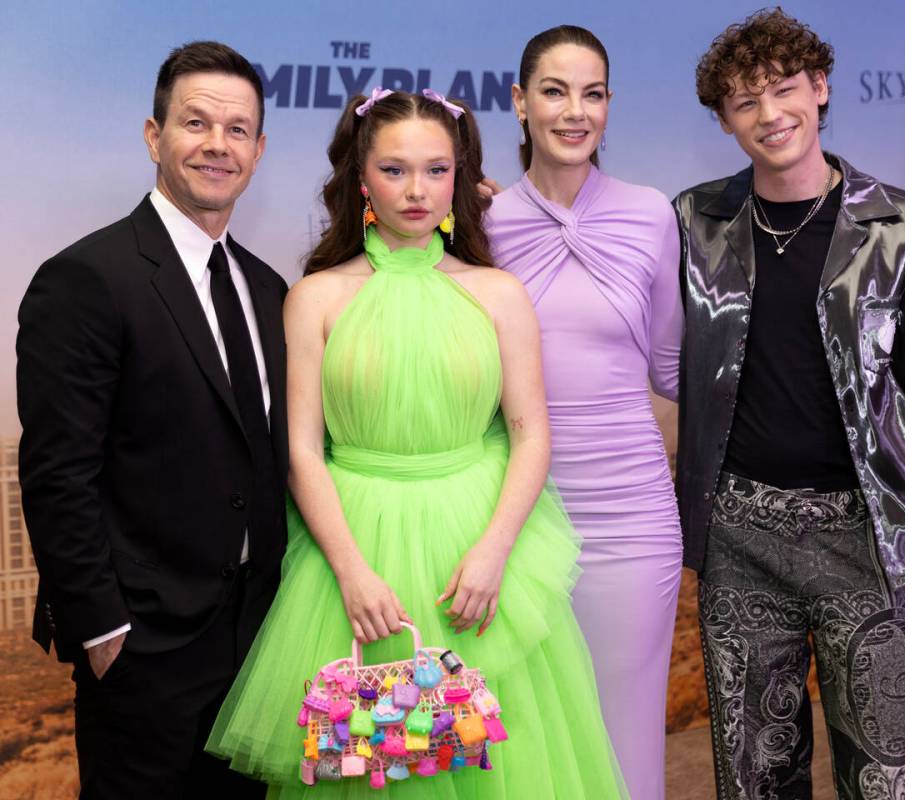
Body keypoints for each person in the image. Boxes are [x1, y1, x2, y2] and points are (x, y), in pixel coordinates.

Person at [206, 88, 627, 798]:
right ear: (361, 179)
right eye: (395, 170)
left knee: (505, 765)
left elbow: (530, 435)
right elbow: (303, 450)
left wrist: (494, 554)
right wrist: (351, 572)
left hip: (480, 546)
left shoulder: (498, 293)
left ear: (458, 179)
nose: (416, 190)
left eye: (436, 170)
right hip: (355, 548)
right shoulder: (315, 296)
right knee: (369, 763)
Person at [673, 9, 905, 799]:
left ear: (819, 88)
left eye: (783, 90)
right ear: (724, 120)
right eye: (745, 102)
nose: (769, 114)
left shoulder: (897, 221)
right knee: (754, 774)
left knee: (882, 769)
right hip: (740, 535)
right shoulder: (693, 221)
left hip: (864, 527)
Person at [16, 41, 287, 798]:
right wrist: (102, 631)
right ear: (153, 134)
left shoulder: (268, 291)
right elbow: (57, 471)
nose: (216, 145)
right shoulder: (86, 278)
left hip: (259, 646)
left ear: (259, 151)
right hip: (144, 651)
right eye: (195, 123)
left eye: (238, 131)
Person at [486, 25, 684, 800]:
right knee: (526, 742)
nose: (575, 111)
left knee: (626, 736)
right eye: (555, 91)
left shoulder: (650, 214)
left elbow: (672, 366)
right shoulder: (481, 224)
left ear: (609, 106)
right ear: (520, 102)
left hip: (633, 519)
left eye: (592, 93)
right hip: (517, 520)